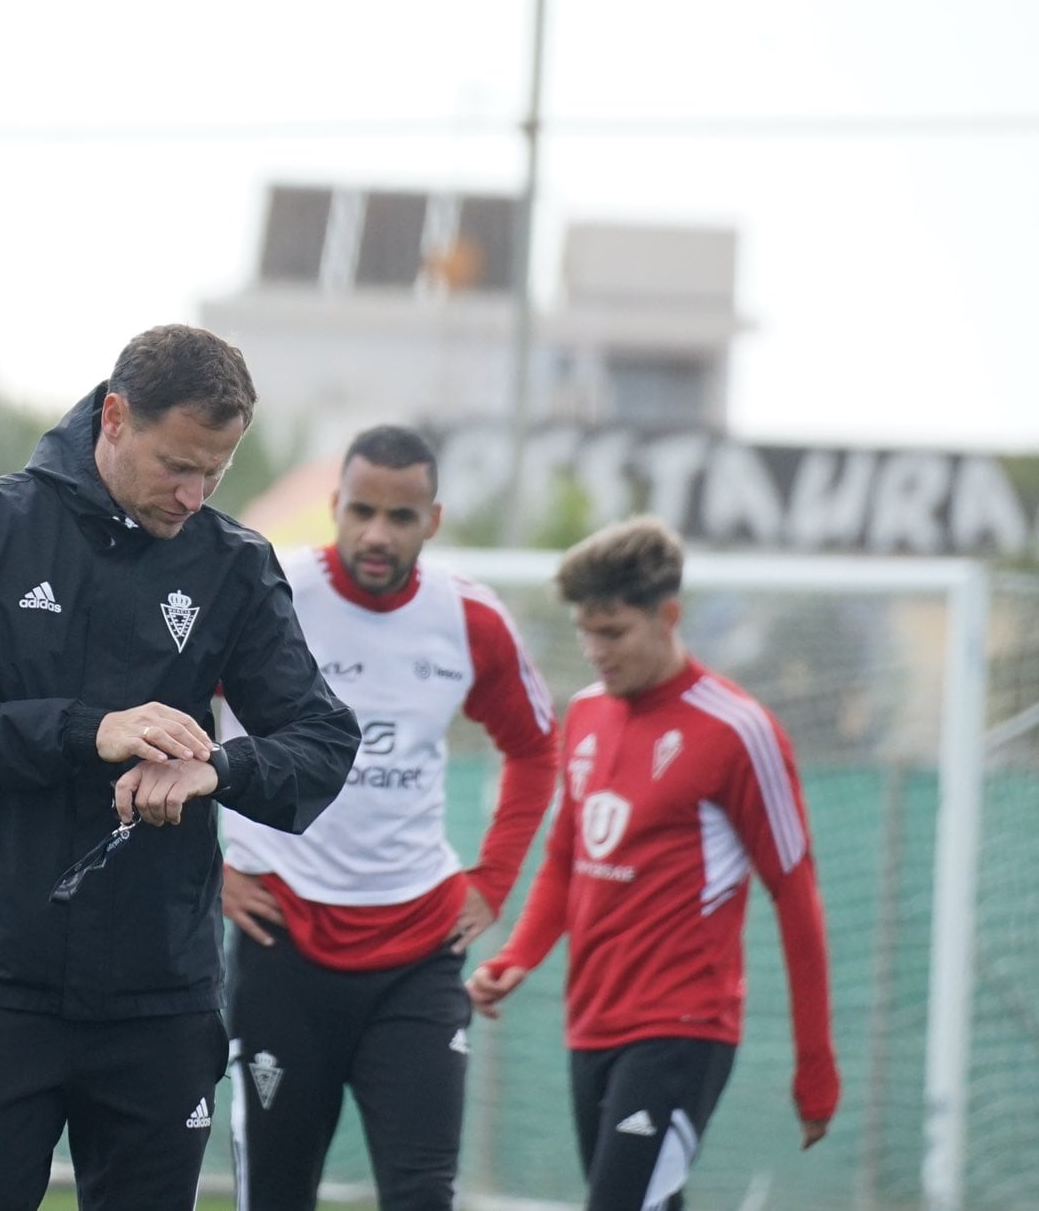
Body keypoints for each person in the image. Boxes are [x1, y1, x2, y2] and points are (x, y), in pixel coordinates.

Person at [0, 323, 362, 1211]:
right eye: (178, 463)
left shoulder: (234, 564)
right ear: (113, 417)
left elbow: (323, 740)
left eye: (215, 471)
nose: (193, 491)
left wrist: (215, 767)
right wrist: (84, 731)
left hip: (161, 997)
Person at [220, 424, 561, 1211]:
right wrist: (214, 870)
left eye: (400, 517)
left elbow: (537, 750)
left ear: (432, 522)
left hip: (418, 950)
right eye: (362, 511)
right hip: (282, 940)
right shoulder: (267, 594)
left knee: (421, 1195)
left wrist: (494, 881)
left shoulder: (470, 618)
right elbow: (164, 721)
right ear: (335, 506)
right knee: (273, 1196)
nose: (378, 534)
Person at [466, 516, 839, 1211]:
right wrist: (519, 955)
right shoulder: (584, 715)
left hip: (683, 1029)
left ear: (669, 615)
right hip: (591, 1023)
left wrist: (815, 1067)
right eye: (585, 631)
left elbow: (797, 898)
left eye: (612, 632)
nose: (594, 650)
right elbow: (567, 859)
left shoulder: (738, 731)